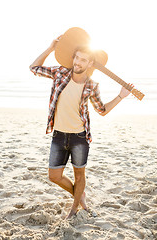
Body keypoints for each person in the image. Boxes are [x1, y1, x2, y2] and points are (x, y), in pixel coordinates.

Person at [29, 36, 131, 219]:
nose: (77, 62)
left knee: (79, 176)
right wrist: (50, 49)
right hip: (59, 136)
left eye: (83, 59)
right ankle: (80, 194)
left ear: (90, 62)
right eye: (76, 57)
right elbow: (34, 68)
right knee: (54, 176)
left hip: (79, 138)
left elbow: (102, 110)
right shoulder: (60, 73)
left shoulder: (92, 85)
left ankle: (74, 209)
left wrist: (121, 96)